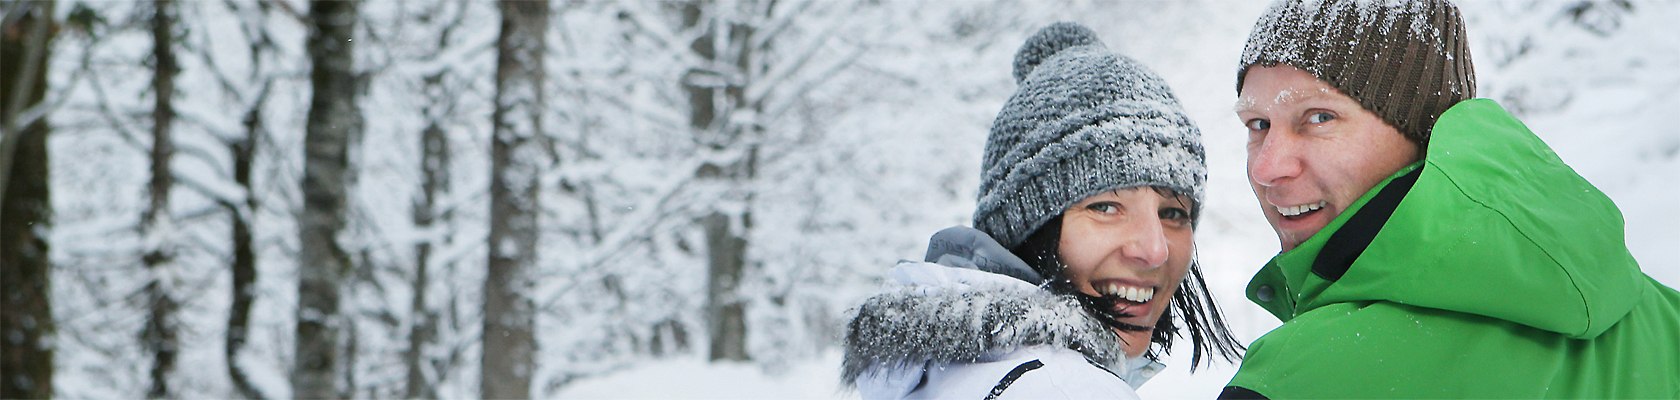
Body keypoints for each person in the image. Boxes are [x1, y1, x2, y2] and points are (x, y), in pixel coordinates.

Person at [1220, 0, 1680, 398]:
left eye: (1319, 117)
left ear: (1422, 130)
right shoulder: (1664, 322)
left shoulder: (1291, 381)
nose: (1266, 168)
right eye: (1258, 124)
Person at [840, 22, 1244, 399]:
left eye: (1173, 213)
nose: (1155, 250)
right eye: (1105, 207)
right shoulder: (1063, 387)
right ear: (1027, 226)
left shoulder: (945, 376)